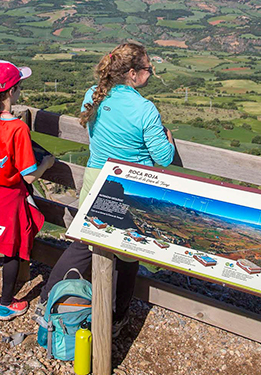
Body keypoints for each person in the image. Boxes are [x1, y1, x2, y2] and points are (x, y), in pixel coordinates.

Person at [38, 42, 175, 334]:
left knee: (85, 243)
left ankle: (47, 299)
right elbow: (163, 158)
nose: (151, 73)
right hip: (129, 187)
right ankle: (116, 317)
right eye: (148, 68)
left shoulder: (93, 94)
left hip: (95, 178)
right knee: (127, 254)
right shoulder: (144, 109)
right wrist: (169, 140)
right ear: (133, 73)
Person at [0, 60, 55, 320]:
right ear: (13, 91)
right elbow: (28, 176)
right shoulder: (17, 128)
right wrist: (47, 164)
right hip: (8, 199)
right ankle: (6, 303)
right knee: (11, 247)